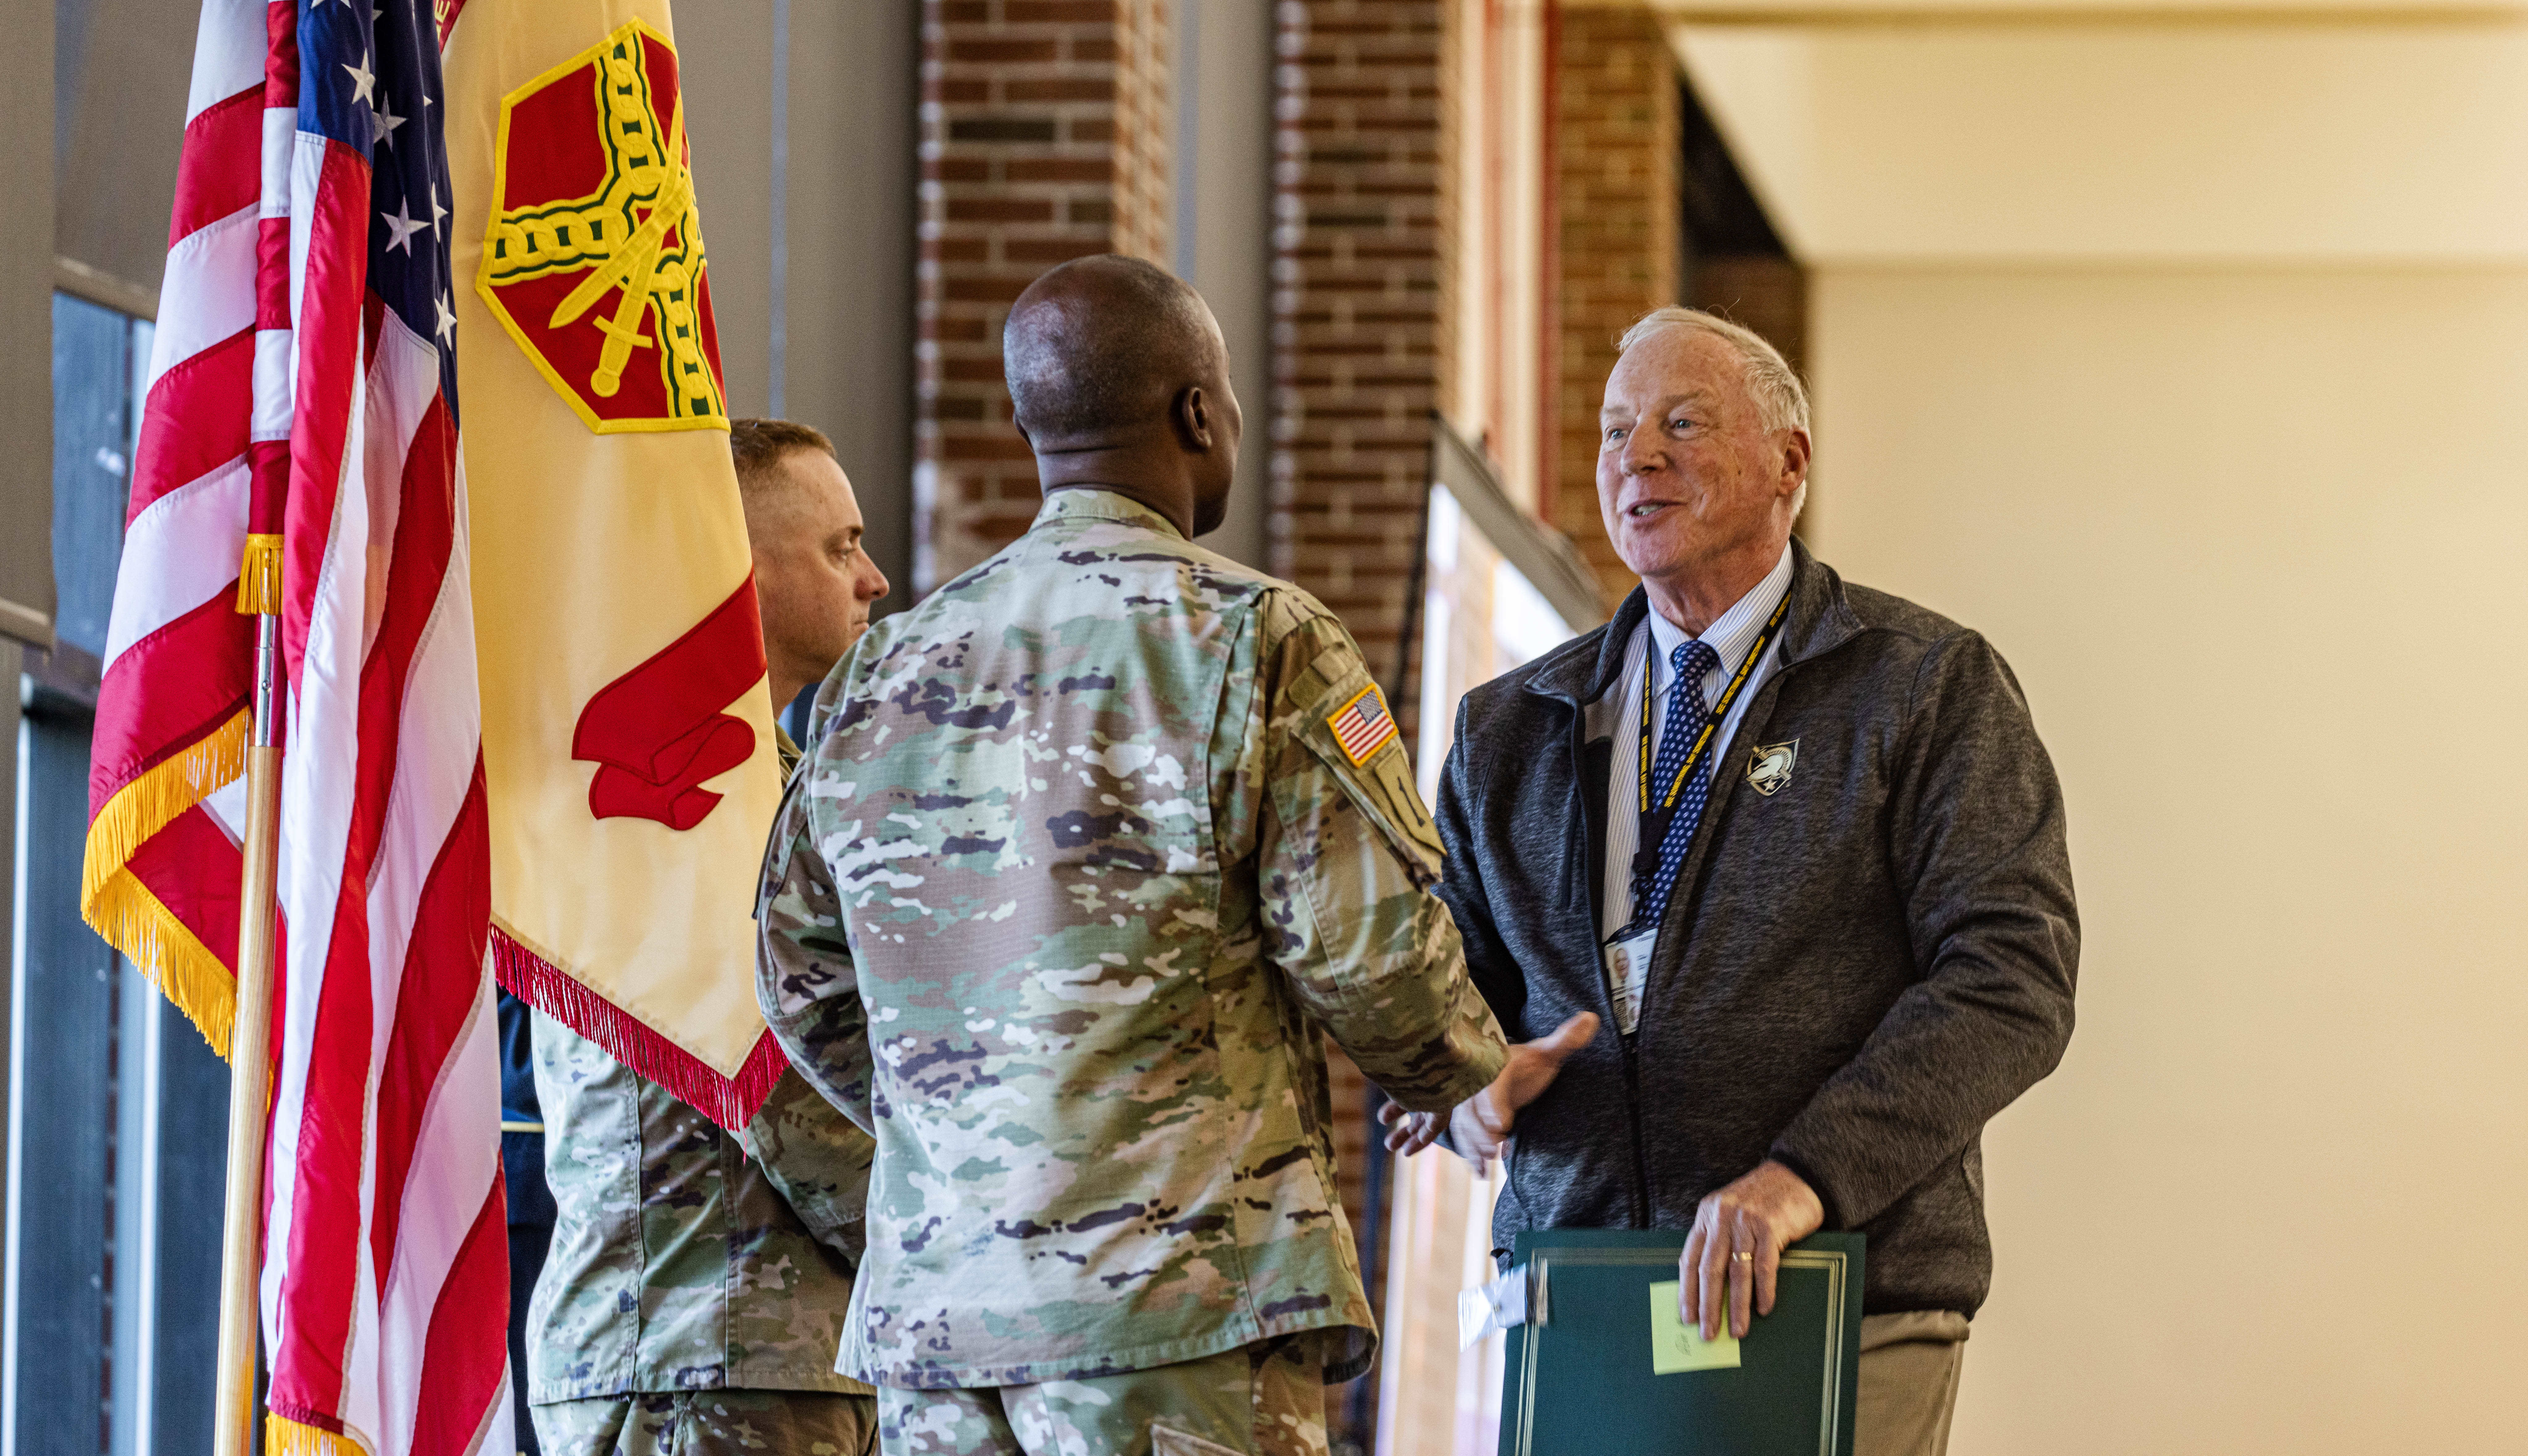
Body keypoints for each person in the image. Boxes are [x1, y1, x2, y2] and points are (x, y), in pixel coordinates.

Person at [755, 254, 1595, 1456]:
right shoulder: (1259, 639)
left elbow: (798, 975)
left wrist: (957, 1112)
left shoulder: (882, 673)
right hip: (1179, 1314)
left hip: (941, 1329)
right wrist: (1467, 1071)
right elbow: (1362, 948)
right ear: (1198, 414)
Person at [1385, 308, 2079, 1456]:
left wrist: (1804, 1178)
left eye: (1683, 423)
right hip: (1583, 1293)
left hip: (1842, 1283)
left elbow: (2013, 979)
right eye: (1615, 432)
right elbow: (1447, 983)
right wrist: (1462, 1080)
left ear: (1789, 463)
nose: (1636, 457)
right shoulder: (1509, 726)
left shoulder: (1923, 689)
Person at [526, 419, 894, 1456]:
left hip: (741, 1350)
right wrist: (967, 1233)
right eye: (840, 546)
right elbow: (778, 1083)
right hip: (704, 1359)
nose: (873, 578)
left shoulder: (743, 775)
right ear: (739, 567)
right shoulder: (684, 791)